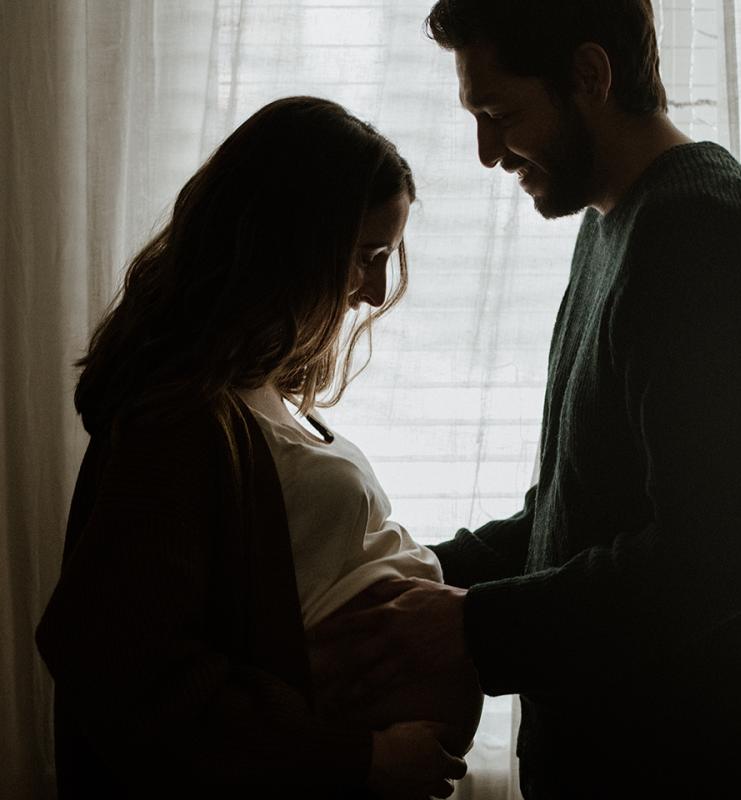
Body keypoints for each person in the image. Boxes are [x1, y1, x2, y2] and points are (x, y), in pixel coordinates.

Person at [311, 2, 741, 798]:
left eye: (499, 114)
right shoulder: (617, 225)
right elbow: (574, 512)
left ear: (589, 75)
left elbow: (715, 563)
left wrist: (470, 625)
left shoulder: (707, 237)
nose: (485, 152)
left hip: (681, 768)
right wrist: (418, 577)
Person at [35, 95, 478, 799]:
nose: (376, 290)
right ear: (291, 247)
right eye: (366, 257)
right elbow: (122, 666)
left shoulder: (252, 389)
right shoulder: (179, 421)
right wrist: (359, 759)